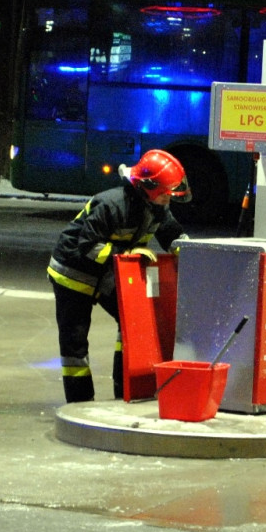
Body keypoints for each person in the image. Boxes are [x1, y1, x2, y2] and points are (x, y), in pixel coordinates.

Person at [47, 149, 190, 403]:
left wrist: (193, 254)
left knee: (130, 322)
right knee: (75, 343)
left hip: (106, 271)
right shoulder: (111, 204)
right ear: (148, 187)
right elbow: (87, 247)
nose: (169, 198)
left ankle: (124, 389)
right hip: (73, 272)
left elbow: (173, 237)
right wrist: (126, 254)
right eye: (165, 193)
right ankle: (80, 404)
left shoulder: (156, 207)